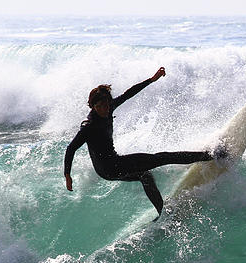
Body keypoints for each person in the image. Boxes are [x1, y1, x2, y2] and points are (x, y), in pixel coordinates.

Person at [63, 67, 213, 219]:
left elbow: (128, 94)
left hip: (110, 166)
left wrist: (152, 80)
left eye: (106, 105)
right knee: (162, 158)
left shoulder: (109, 107)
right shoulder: (89, 126)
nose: (104, 109)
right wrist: (67, 175)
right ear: (93, 107)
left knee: (145, 175)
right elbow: (71, 148)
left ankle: (163, 214)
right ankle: (209, 155)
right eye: (99, 107)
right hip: (109, 167)